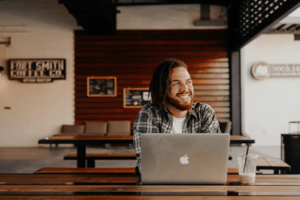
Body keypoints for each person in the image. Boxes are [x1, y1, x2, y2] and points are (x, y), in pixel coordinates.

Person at [133, 58, 221, 174]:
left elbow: (214, 160)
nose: (185, 89)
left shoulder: (205, 112)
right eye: (176, 83)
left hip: (199, 186)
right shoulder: (149, 114)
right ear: (162, 89)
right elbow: (147, 165)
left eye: (188, 82)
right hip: (159, 188)